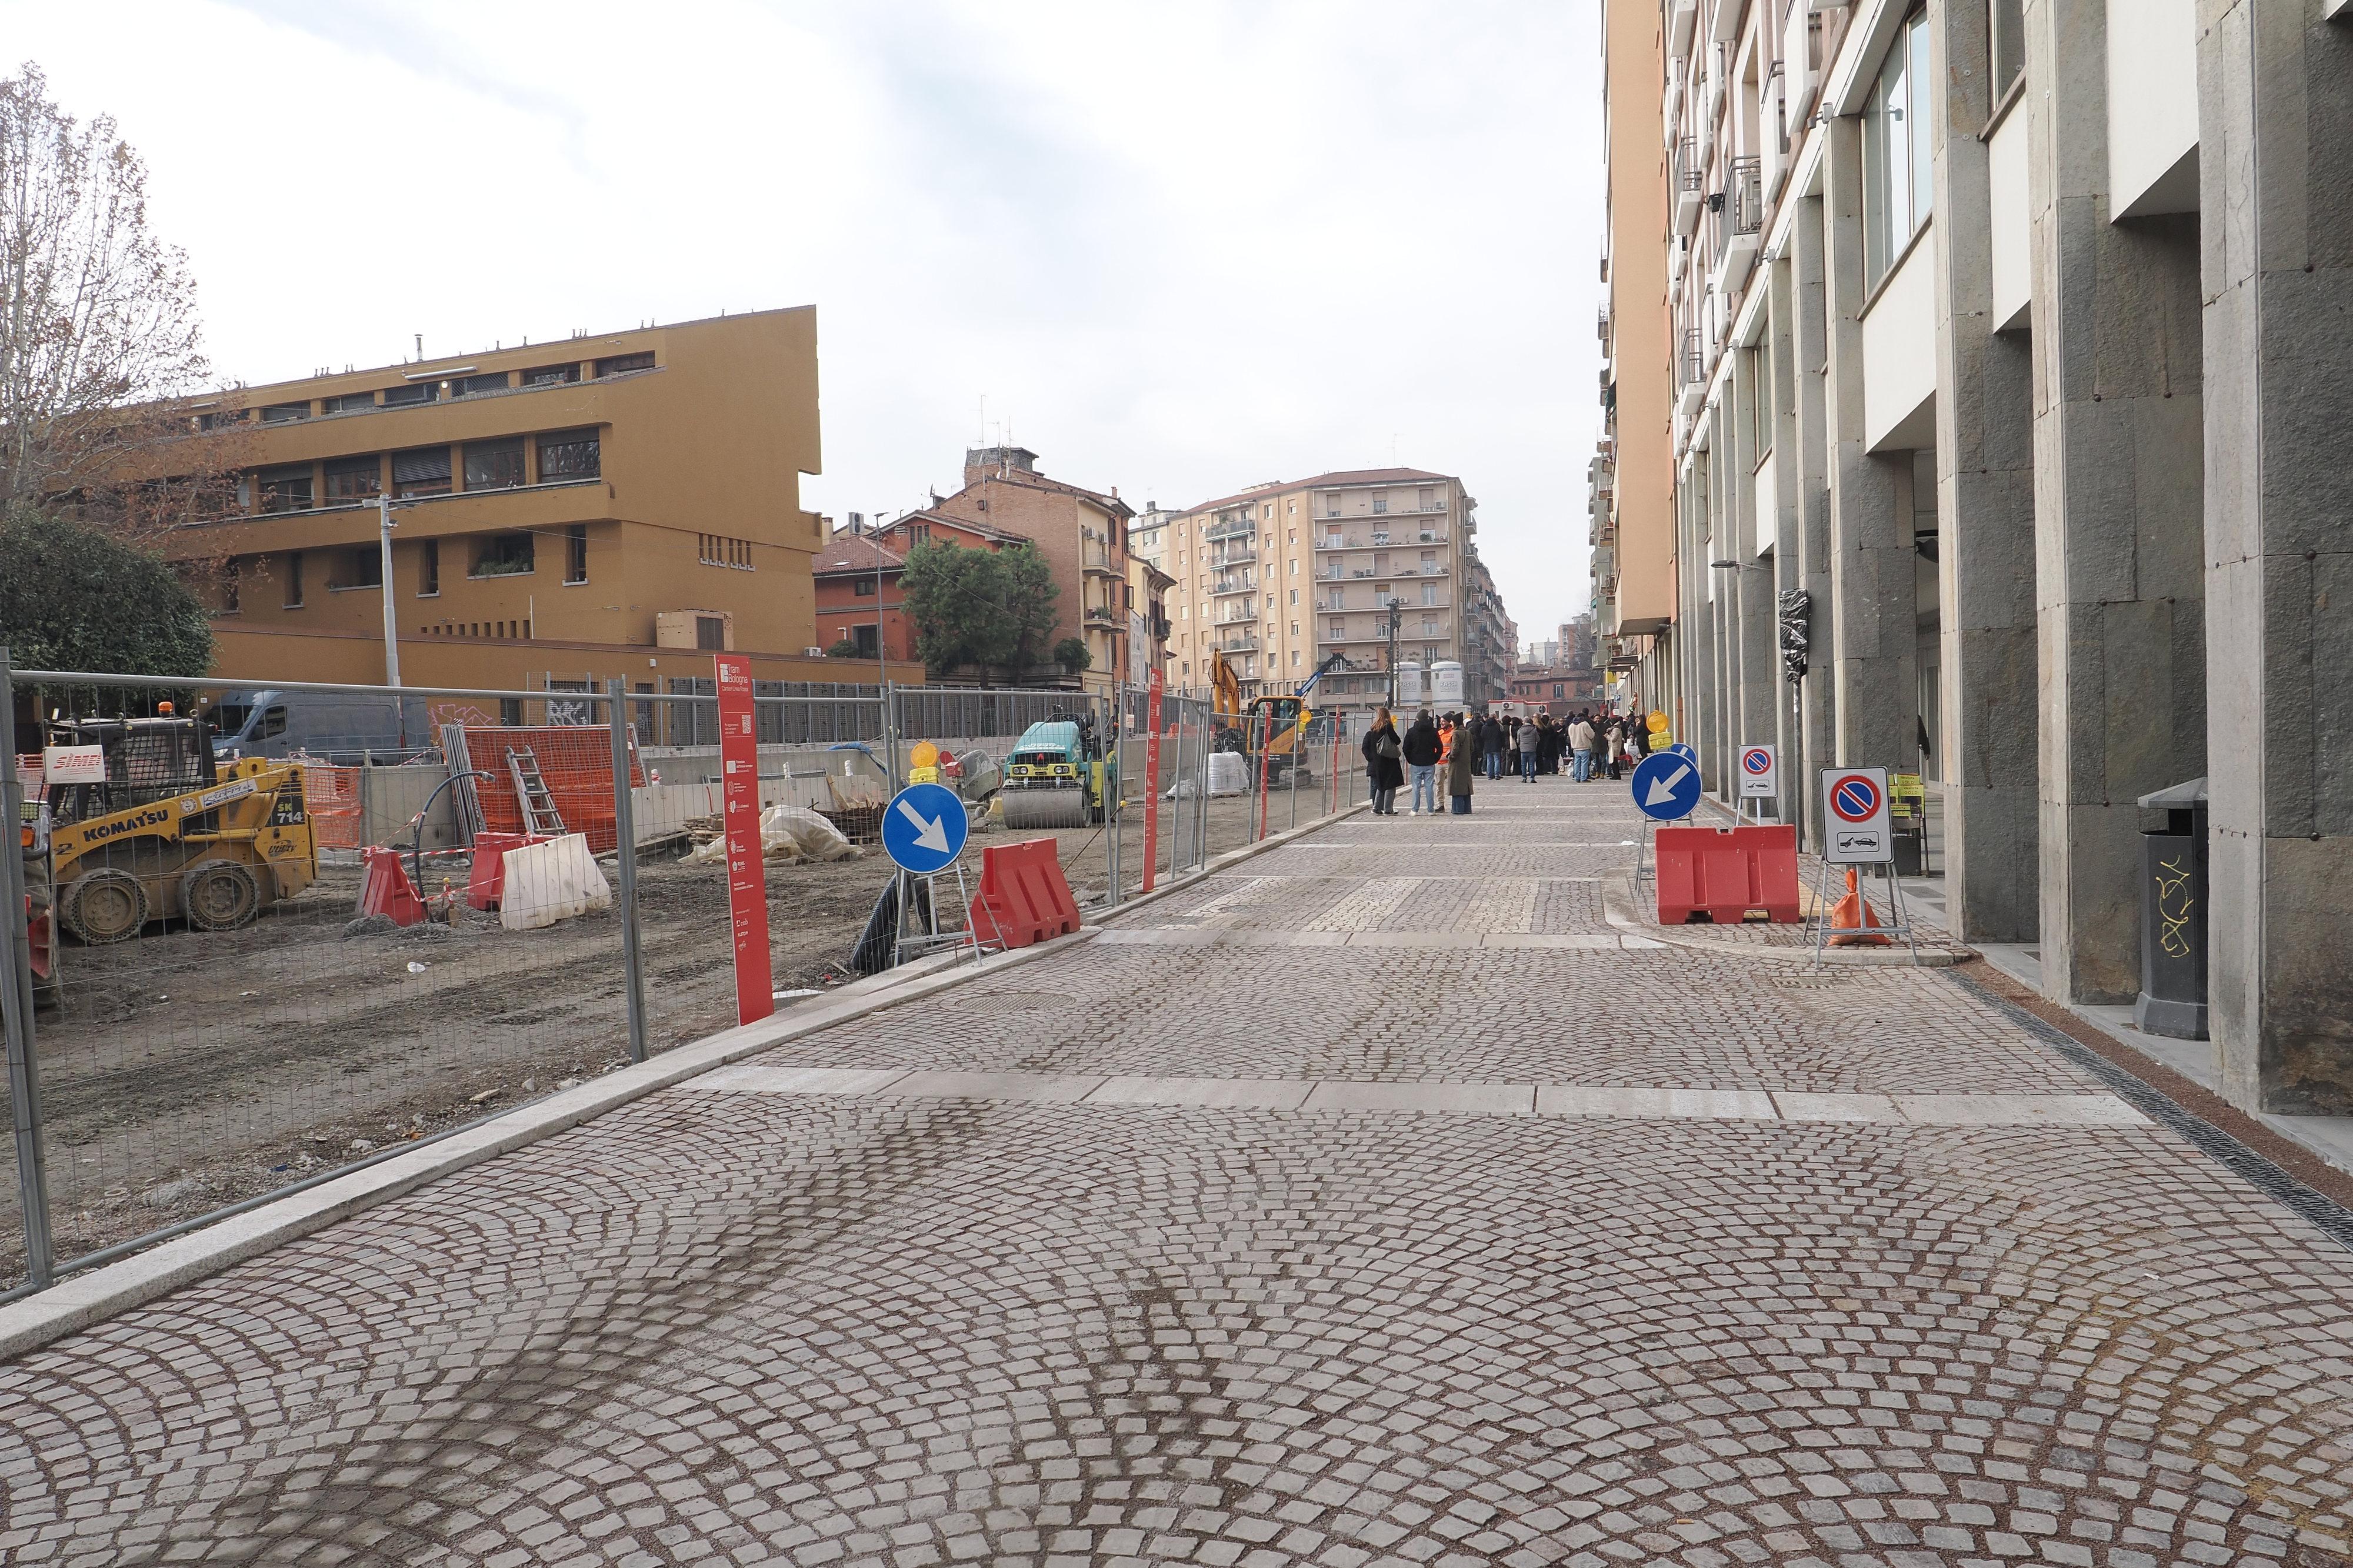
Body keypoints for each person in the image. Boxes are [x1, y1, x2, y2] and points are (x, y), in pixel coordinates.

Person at [1361, 707, 1404, 816]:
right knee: (1391, 785)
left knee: (1381, 784)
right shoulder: (1387, 727)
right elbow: (1397, 741)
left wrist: (1371, 758)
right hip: (1389, 760)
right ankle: (1388, 809)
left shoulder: (1373, 730)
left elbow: (1367, 747)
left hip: (1378, 762)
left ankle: (1376, 808)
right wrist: (1390, 728)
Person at [1402, 709, 1441, 815]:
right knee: (1429, 787)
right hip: (1429, 762)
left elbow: (1405, 748)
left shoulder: (1411, 731)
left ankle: (1415, 810)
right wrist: (1435, 758)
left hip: (1416, 763)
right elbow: (1440, 747)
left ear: (1417, 718)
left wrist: (1411, 759)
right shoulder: (1433, 731)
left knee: (1416, 787)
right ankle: (1431, 810)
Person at [1445, 713, 1477, 813]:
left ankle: (1458, 809)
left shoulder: (1456, 733)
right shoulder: (1467, 732)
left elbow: (1455, 749)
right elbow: (1472, 748)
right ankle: (1467, 809)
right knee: (1466, 786)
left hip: (1457, 763)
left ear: (1455, 723)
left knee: (1457, 785)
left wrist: (1450, 757)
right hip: (1466, 762)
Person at [1569, 712, 1597, 782]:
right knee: (1584, 763)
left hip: (1575, 747)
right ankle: (1583, 777)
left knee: (1577, 763)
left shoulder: (1571, 725)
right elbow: (1591, 735)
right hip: (1584, 746)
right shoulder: (1585, 724)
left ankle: (1577, 777)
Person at [1515, 713, 1538, 782]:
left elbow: (1518, 741)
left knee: (1523, 764)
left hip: (1523, 749)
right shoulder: (1534, 730)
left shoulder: (1520, 730)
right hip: (1532, 749)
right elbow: (1538, 739)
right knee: (1531, 764)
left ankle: (1524, 778)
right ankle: (1532, 778)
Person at [1482, 713, 1505, 780]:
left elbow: (1482, 736)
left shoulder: (1485, 727)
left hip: (1488, 746)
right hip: (1497, 745)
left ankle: (1490, 775)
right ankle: (1497, 774)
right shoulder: (1498, 726)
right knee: (1497, 760)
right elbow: (1501, 736)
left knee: (1489, 760)